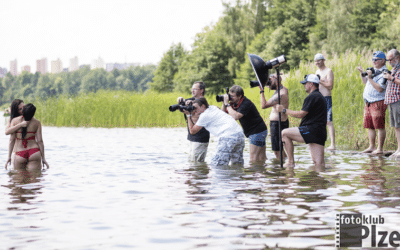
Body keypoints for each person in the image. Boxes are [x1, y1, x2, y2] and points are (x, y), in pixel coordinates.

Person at [276, 74, 327, 168]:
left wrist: (284, 110)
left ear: (311, 84)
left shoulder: (312, 96)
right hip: (320, 133)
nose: (304, 85)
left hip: (311, 130)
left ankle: (290, 162)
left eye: (305, 83)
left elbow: (301, 114)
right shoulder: (320, 96)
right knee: (319, 164)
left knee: (284, 133)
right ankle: (320, 180)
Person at [187, 97, 245, 166]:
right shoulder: (213, 108)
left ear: (203, 106)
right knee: (237, 164)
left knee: (216, 164)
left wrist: (188, 114)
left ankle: (220, 176)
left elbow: (192, 131)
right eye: (193, 108)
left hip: (228, 136)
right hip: (239, 134)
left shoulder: (204, 115)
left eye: (195, 108)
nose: (194, 110)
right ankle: (236, 176)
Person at [221, 85, 268, 163]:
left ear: (239, 96)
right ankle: (263, 173)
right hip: (259, 131)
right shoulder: (234, 103)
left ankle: (254, 174)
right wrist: (224, 103)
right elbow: (223, 114)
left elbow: (236, 116)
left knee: (253, 159)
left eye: (232, 96)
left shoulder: (246, 103)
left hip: (257, 131)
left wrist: (228, 104)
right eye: (229, 96)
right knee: (261, 158)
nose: (230, 98)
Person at [356, 51, 388, 154]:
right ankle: (372, 147)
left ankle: (380, 149)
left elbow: (379, 89)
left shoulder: (385, 72)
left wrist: (369, 78)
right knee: (369, 125)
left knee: (379, 125)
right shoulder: (373, 70)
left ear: (383, 60)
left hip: (378, 102)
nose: (374, 61)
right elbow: (365, 82)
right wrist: (362, 73)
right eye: (373, 59)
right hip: (368, 102)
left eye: (376, 59)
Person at [6, 104, 49, 169]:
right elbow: (40, 141)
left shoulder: (15, 121)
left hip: (19, 153)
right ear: (33, 113)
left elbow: (12, 140)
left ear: (22, 111)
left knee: (18, 178)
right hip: (34, 152)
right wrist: (43, 158)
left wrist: (9, 156)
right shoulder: (37, 123)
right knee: (35, 178)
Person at [177, 81, 210, 162]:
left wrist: (188, 111)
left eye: (195, 89)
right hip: (193, 138)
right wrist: (180, 101)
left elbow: (194, 110)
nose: (192, 91)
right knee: (192, 162)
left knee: (196, 164)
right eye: (192, 89)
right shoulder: (192, 100)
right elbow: (182, 108)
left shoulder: (202, 102)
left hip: (200, 138)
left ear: (201, 90)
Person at [260, 74, 289, 161]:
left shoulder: (281, 93)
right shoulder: (282, 89)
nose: (268, 84)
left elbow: (263, 105)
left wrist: (261, 91)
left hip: (278, 124)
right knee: (280, 149)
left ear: (276, 80)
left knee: (277, 150)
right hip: (280, 122)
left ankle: (283, 167)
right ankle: (286, 162)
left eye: (270, 80)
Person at [315, 53, 336, 150]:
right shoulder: (316, 71)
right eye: (315, 61)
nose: (317, 62)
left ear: (323, 60)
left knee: (328, 121)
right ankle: (319, 142)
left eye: (319, 60)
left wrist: (320, 80)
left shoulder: (329, 71)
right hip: (319, 98)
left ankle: (333, 144)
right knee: (319, 121)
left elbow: (330, 86)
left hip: (326, 98)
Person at [383, 49, 400, 159]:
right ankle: (399, 149)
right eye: (388, 60)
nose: (389, 62)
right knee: (396, 126)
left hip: (398, 100)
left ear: (397, 58)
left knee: (399, 125)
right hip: (392, 101)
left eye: (391, 59)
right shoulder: (394, 69)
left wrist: (392, 78)